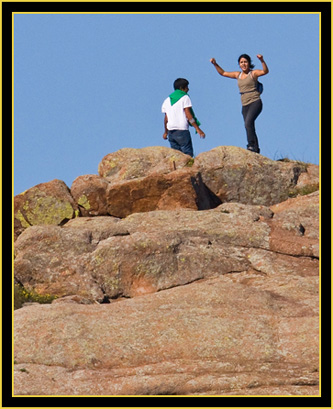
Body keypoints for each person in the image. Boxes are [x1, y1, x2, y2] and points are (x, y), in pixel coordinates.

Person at [210, 54, 269, 154]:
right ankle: (256, 148)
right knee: (249, 125)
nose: (243, 64)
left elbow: (265, 71)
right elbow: (223, 73)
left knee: (248, 123)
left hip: (255, 101)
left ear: (249, 63)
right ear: (239, 64)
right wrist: (215, 64)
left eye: (245, 62)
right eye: (241, 62)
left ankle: (251, 145)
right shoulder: (238, 75)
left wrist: (262, 60)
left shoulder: (253, 73)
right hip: (245, 104)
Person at [161, 78, 205, 157]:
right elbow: (188, 115)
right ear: (182, 88)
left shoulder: (167, 100)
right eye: (187, 87)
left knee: (176, 156)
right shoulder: (185, 98)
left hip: (171, 132)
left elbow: (166, 119)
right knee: (187, 155)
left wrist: (165, 132)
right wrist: (198, 129)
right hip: (182, 130)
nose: (188, 89)